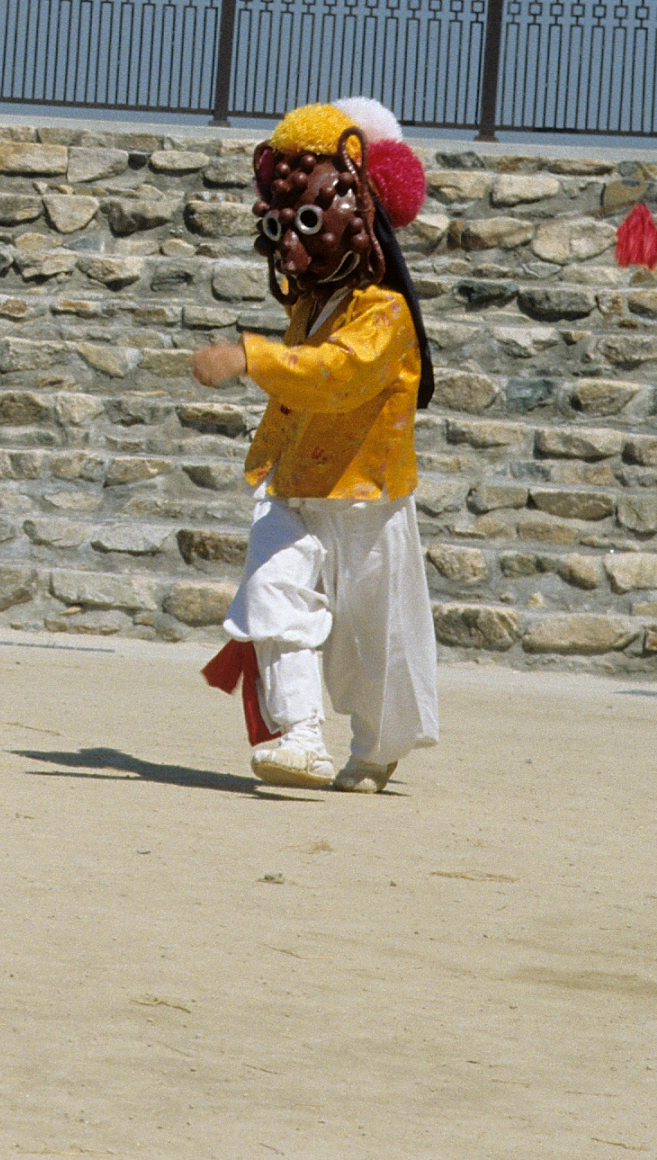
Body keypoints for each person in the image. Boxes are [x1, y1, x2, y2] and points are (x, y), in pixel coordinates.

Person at [190, 99, 439, 793]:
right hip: (295, 489)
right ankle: (299, 734)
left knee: (371, 645)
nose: (289, 242)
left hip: (365, 496)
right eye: (279, 224)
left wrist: (249, 357)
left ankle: (377, 744)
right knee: (272, 590)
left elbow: (338, 375)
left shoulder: (383, 316)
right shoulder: (304, 309)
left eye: (304, 221)